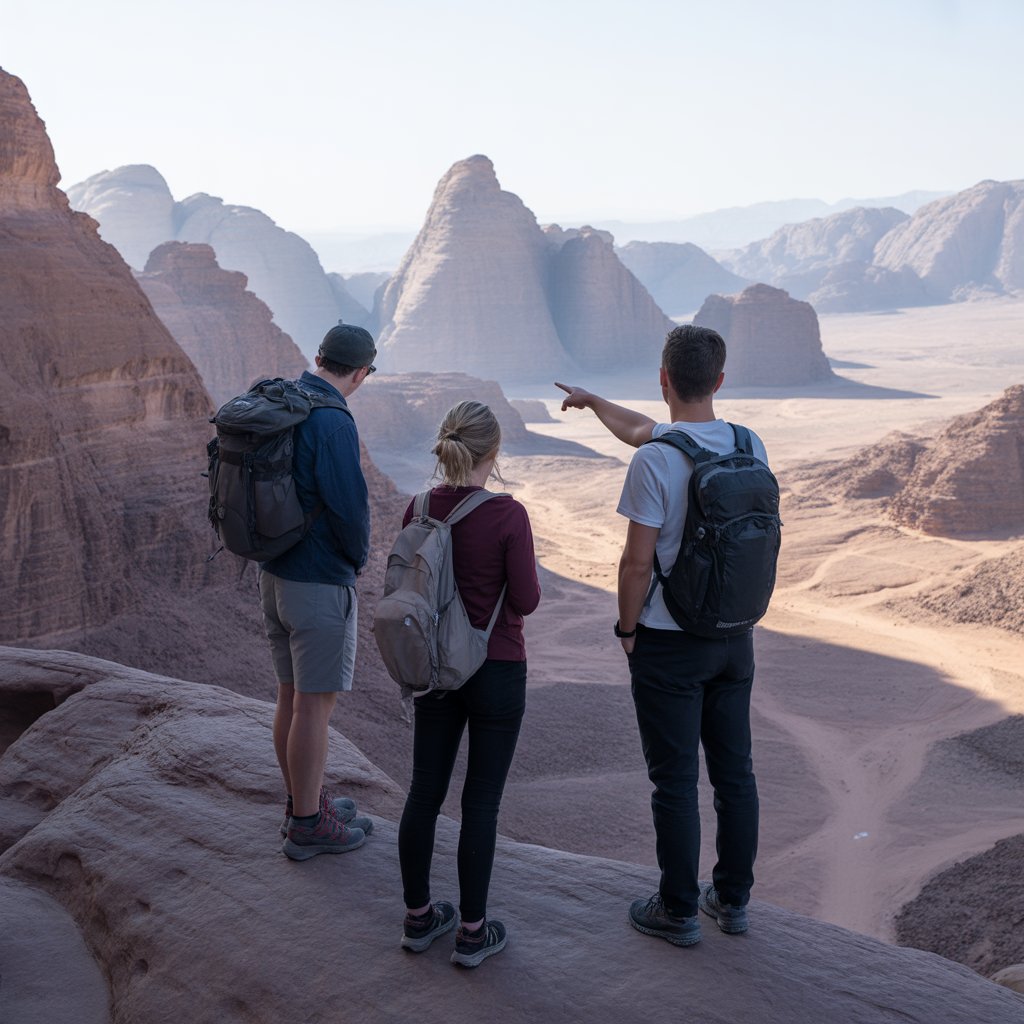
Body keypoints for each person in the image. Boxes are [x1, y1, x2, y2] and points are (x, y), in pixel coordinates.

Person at [556, 324, 766, 946]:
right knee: (736, 775)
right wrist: (595, 404)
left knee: (673, 780)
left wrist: (627, 631)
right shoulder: (748, 443)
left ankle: (676, 909)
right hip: (735, 637)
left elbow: (636, 564)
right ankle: (731, 900)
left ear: (664, 377)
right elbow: (643, 429)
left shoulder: (657, 461)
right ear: (720, 381)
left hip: (670, 643)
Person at [396, 400, 541, 968]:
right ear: (493, 452)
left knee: (424, 791)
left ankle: (417, 919)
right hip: (497, 669)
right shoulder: (509, 515)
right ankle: (474, 934)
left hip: (434, 670)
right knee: (481, 800)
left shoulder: (418, 506)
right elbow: (525, 600)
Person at [260, 322, 377, 860]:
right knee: (315, 706)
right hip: (317, 581)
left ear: (317, 356)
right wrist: (354, 561)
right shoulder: (332, 421)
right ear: (361, 373)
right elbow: (349, 507)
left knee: (290, 696)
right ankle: (308, 823)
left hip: (276, 574)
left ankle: (300, 800)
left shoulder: (287, 398)